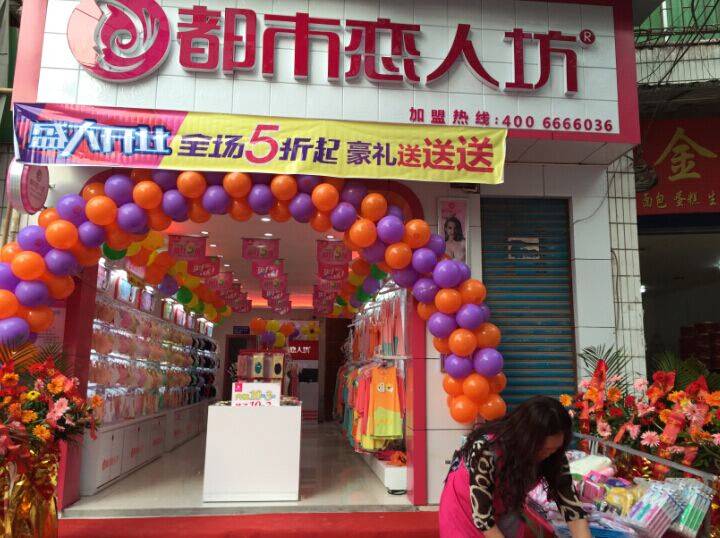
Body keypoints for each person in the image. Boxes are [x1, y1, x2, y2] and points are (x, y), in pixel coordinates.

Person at [439, 396, 591, 538]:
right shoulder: (486, 450)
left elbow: (571, 507)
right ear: (526, 439)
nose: (547, 455)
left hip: (506, 503)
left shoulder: (554, 455)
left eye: (554, 449)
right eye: (542, 449)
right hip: (465, 506)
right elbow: (483, 520)